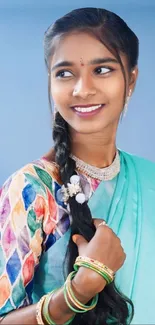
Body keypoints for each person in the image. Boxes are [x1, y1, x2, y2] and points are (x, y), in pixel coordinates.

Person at [0, 6, 154, 325]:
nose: (82, 89)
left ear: (132, 80)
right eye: (65, 73)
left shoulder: (149, 180)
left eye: (102, 70)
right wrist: (77, 293)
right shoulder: (31, 190)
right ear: (50, 82)